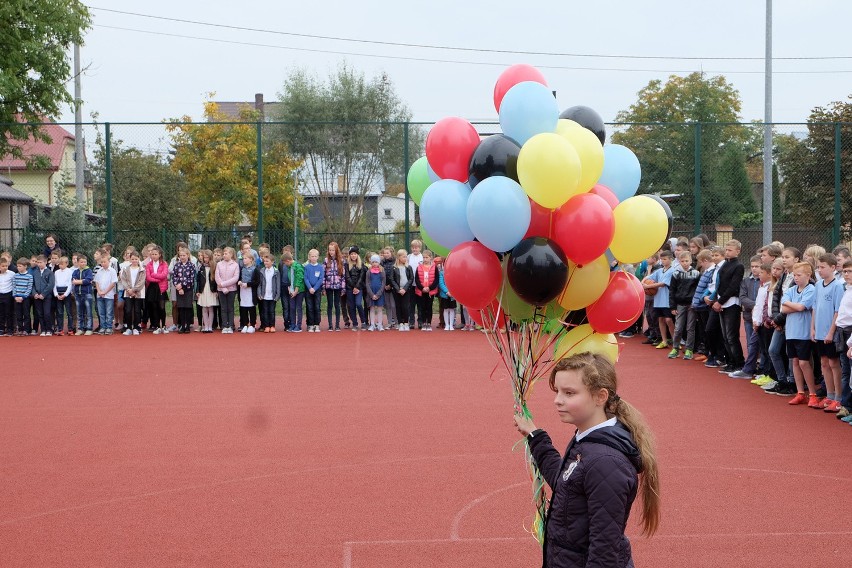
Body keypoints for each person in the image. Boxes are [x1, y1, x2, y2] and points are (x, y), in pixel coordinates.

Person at [513, 352, 660, 567]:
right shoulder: (588, 441)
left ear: (601, 396)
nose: (557, 400)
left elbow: (604, 551)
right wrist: (535, 436)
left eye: (569, 393)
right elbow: (565, 482)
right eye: (558, 391)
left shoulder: (606, 462)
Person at [764, 247, 801, 397]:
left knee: (790, 353)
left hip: (791, 320)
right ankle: (782, 380)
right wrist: (775, 318)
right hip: (779, 320)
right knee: (773, 350)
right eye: (783, 256)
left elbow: (793, 302)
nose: (784, 259)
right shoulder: (785, 275)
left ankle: (792, 383)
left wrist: (779, 320)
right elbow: (776, 298)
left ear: (796, 260)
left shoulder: (799, 276)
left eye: (787, 257)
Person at [782, 262, 818, 407]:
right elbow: (782, 308)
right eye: (794, 275)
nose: (796, 278)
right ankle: (800, 393)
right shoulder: (791, 290)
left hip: (803, 332)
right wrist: (794, 306)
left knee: (804, 362)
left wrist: (791, 305)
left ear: (808, 276)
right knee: (795, 362)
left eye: (799, 275)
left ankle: (813, 394)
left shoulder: (811, 289)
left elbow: (803, 306)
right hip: (790, 332)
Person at [811, 253, 844, 412]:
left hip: (830, 332)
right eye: (818, 267)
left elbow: (837, 311)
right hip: (819, 331)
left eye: (823, 267)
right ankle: (829, 395)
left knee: (833, 363)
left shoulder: (837, 286)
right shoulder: (818, 285)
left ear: (833, 267)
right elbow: (815, 307)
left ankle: (838, 397)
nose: (819, 270)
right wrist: (812, 328)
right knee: (824, 363)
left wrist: (831, 332)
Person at [712, 240, 745, 374]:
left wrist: (720, 301)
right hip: (721, 301)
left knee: (732, 336)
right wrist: (717, 299)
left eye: (730, 250)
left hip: (731, 302)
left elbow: (733, 286)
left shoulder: (739, 266)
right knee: (725, 335)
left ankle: (739, 363)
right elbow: (719, 283)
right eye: (726, 250)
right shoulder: (725, 264)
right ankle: (730, 362)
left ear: (738, 251)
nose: (727, 252)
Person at [729, 256, 763, 379]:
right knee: (750, 342)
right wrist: (755, 305)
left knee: (762, 344)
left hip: (761, 318)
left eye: (757, 266)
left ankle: (761, 367)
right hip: (749, 317)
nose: (754, 269)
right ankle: (751, 368)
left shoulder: (764, 281)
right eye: (752, 266)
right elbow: (742, 297)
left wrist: (758, 307)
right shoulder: (746, 281)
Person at [668, 251, 699, 359]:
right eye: (682, 261)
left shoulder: (696, 273)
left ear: (690, 261)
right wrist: (672, 306)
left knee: (690, 328)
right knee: (678, 327)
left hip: (691, 305)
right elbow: (672, 290)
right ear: (679, 262)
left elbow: (697, 290)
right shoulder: (676, 273)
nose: (685, 263)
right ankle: (675, 348)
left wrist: (695, 303)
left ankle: (689, 349)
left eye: (687, 261)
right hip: (680, 304)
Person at [644, 250, 675, 349]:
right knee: (660, 320)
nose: (663, 261)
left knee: (669, 320)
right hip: (658, 299)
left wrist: (648, 286)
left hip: (667, 299)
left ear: (671, 259)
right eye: (662, 259)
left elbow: (662, 283)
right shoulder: (659, 271)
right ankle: (664, 340)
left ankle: (675, 341)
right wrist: (642, 282)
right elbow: (649, 277)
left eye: (665, 259)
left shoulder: (672, 270)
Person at [835, 259, 852, 420]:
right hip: (842, 332)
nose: (846, 275)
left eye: (850, 272)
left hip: (850, 334)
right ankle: (846, 405)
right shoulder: (846, 289)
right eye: (845, 272)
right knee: (845, 370)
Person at [120, 251, 146, 335]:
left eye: (136, 259)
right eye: (132, 259)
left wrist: (134, 290)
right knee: (128, 310)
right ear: (129, 259)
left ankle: (136, 327)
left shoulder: (142, 270)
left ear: (139, 259)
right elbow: (124, 280)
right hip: (128, 293)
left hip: (138, 293)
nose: (134, 260)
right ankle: (128, 327)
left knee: (137, 310)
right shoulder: (125, 269)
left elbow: (141, 282)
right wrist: (129, 290)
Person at [145, 246, 169, 335]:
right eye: (152, 254)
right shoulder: (148, 265)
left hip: (161, 288)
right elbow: (148, 277)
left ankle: (164, 326)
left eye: (155, 254)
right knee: (154, 307)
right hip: (152, 287)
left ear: (160, 255)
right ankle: (157, 326)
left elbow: (164, 275)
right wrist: (157, 278)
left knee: (161, 307)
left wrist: (154, 275)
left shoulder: (164, 264)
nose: (154, 256)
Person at [172, 246, 197, 334]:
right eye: (181, 255)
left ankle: (187, 325)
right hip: (179, 290)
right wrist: (178, 286)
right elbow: (174, 277)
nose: (182, 257)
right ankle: (182, 325)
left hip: (188, 290)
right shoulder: (177, 265)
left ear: (188, 255)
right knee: (181, 307)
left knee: (188, 307)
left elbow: (191, 278)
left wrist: (183, 287)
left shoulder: (191, 265)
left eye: (184, 255)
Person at [215, 247, 240, 334]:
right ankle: (224, 325)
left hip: (231, 290)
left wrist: (224, 285)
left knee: (230, 308)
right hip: (221, 290)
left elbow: (235, 278)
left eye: (226, 253)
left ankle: (231, 326)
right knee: (223, 308)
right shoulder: (219, 264)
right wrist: (222, 287)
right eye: (224, 254)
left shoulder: (235, 265)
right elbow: (217, 277)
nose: (224, 255)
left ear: (231, 254)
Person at [93, 252, 118, 335]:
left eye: (105, 262)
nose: (103, 263)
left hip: (109, 295)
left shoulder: (112, 271)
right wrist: (99, 291)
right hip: (99, 295)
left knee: (109, 312)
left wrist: (105, 292)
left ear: (109, 262)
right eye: (102, 262)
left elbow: (113, 283)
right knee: (101, 312)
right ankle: (102, 327)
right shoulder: (99, 271)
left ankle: (109, 327)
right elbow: (96, 282)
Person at [323, 242, 345, 332]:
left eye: (333, 250)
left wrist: (343, 288)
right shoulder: (325, 260)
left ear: (336, 250)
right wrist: (323, 287)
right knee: (330, 305)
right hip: (328, 286)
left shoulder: (341, 261)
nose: (331, 252)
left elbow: (343, 276)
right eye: (330, 250)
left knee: (337, 305)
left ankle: (337, 325)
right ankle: (330, 325)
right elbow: (323, 275)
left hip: (338, 286)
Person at [414, 249, 439, 331]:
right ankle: (423, 322)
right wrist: (422, 288)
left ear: (430, 258)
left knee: (429, 307)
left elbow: (436, 279)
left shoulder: (434, 267)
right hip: (421, 291)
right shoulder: (419, 267)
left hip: (430, 291)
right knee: (422, 307)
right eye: (424, 257)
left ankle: (429, 323)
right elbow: (417, 279)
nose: (425, 259)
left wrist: (430, 288)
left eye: (427, 257)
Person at [194, 250, 218, 334]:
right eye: (204, 257)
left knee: (210, 308)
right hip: (203, 290)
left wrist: (215, 290)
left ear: (210, 257)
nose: (205, 259)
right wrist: (198, 291)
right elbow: (198, 280)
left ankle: (210, 326)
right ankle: (205, 326)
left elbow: (215, 280)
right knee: (204, 308)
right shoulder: (201, 267)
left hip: (211, 290)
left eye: (207, 257)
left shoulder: (214, 266)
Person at [280, 251, 303, 333]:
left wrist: (296, 291)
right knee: (292, 308)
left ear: (288, 261)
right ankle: (292, 324)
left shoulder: (298, 266)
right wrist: (290, 289)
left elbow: (299, 279)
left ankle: (299, 325)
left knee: (298, 308)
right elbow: (291, 280)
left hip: (299, 291)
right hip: (292, 291)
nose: (285, 265)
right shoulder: (289, 267)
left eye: (285, 263)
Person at [344, 247, 366, 331]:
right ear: (349, 255)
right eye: (352, 254)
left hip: (359, 288)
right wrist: (353, 287)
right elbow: (347, 277)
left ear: (357, 255)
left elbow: (361, 277)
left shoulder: (361, 265)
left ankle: (363, 322)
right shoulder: (346, 265)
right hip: (350, 288)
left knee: (359, 304)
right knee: (351, 306)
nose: (353, 256)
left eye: (355, 254)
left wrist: (357, 287)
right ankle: (355, 323)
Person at [238, 250, 260, 333]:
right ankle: (245, 324)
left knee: (251, 308)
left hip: (251, 292)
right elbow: (239, 278)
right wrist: (240, 282)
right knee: (243, 308)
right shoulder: (242, 269)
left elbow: (257, 281)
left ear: (251, 259)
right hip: (243, 292)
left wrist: (248, 284)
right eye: (243, 258)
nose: (244, 260)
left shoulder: (255, 270)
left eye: (246, 258)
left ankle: (252, 324)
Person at [71, 254, 94, 336]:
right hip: (78, 294)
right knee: (80, 313)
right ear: (77, 262)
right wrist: (81, 281)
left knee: (88, 312)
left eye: (85, 262)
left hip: (87, 294)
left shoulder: (89, 271)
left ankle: (89, 328)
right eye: (81, 262)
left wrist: (78, 281)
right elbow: (73, 280)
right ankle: (80, 328)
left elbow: (88, 280)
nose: (83, 263)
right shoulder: (75, 272)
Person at [32, 255, 54, 337]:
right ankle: (43, 329)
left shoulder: (50, 272)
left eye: (41, 262)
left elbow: (50, 285)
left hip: (46, 297)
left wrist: (43, 294)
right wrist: (35, 294)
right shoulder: (35, 273)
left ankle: (49, 329)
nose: (39, 264)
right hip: (37, 297)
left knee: (47, 313)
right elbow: (32, 285)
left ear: (45, 262)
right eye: (38, 262)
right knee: (40, 313)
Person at [302, 249, 323, 333]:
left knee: (317, 307)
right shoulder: (307, 267)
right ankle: (310, 324)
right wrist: (310, 288)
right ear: (309, 257)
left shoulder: (320, 267)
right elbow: (305, 278)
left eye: (315, 256)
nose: (314, 258)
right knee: (309, 307)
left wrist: (314, 288)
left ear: (318, 257)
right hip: (308, 290)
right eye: (312, 256)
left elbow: (320, 279)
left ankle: (316, 324)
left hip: (317, 290)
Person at [392, 249, 413, 332]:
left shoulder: (408, 267)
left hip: (406, 290)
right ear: (399, 257)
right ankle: (400, 323)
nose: (405, 258)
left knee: (405, 307)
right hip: (397, 291)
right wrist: (398, 289)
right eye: (404, 257)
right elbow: (392, 279)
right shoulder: (394, 267)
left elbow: (411, 278)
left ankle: (406, 323)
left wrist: (404, 289)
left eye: (406, 257)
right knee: (398, 306)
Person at [257, 253, 280, 333]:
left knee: (272, 311)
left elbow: (278, 284)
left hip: (272, 296)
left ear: (272, 262)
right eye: (264, 261)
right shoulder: (262, 271)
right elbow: (259, 284)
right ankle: (266, 326)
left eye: (267, 261)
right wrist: (259, 294)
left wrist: (277, 295)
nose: (265, 263)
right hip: (264, 296)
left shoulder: (276, 272)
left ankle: (272, 325)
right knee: (265, 311)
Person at [365, 254, 386, 331]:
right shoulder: (368, 271)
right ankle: (372, 324)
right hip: (371, 293)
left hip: (379, 294)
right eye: (373, 262)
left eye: (376, 262)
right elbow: (367, 283)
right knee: (372, 309)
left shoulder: (382, 271)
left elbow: (383, 283)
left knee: (380, 309)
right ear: (371, 262)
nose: (374, 264)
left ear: (379, 262)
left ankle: (380, 324)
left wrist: (378, 294)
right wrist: (371, 294)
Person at [13, 258, 34, 336]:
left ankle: (26, 329)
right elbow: (14, 287)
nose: (18, 267)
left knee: (26, 314)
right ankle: (20, 329)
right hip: (17, 297)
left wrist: (23, 297)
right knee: (18, 314)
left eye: (20, 266)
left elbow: (29, 288)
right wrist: (15, 296)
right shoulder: (15, 276)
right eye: (17, 266)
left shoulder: (29, 276)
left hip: (25, 298)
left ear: (25, 266)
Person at [53, 256, 73, 336]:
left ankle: (70, 329)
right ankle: (60, 329)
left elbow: (70, 284)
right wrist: (56, 294)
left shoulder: (70, 271)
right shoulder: (56, 272)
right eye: (59, 264)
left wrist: (65, 294)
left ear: (67, 263)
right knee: (59, 312)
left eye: (62, 264)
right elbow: (54, 284)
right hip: (58, 294)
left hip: (66, 294)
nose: (60, 265)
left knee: (69, 312)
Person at [436, 256, 456, 331]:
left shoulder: (454, 273)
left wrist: (452, 292)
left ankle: (451, 325)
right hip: (445, 295)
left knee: (452, 309)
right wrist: (447, 292)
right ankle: (446, 325)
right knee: (445, 309)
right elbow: (441, 283)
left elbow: (455, 283)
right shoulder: (441, 273)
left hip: (452, 295)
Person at [408, 239, 424, 328]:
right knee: (411, 304)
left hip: (420, 285)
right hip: (411, 285)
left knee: (420, 304)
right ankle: (411, 321)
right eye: (413, 248)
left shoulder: (422, 257)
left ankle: (420, 321)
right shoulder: (409, 257)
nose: (415, 249)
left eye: (416, 248)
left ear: (420, 248)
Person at [380, 246, 397, 329]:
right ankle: (389, 322)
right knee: (387, 305)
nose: (386, 254)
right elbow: (380, 275)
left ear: (391, 253)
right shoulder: (381, 263)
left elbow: (396, 276)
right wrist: (384, 285)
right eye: (384, 253)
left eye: (387, 253)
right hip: (384, 286)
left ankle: (397, 322)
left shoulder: (395, 262)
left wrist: (390, 285)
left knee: (394, 305)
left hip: (393, 286)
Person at [0, 257, 12, 336]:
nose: (5, 268)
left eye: (6, 266)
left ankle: (10, 329)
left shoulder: (11, 273)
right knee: (1, 313)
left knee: (9, 313)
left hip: (8, 295)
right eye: (3, 266)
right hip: (0, 294)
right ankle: (1, 328)